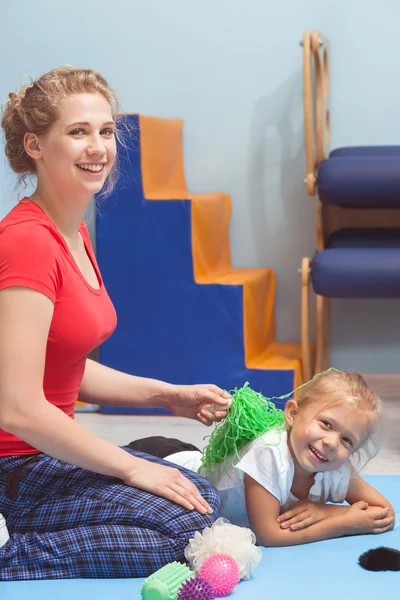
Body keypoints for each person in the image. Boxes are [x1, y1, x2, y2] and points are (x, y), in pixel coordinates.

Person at [0, 66, 231, 580]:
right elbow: (16, 407)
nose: (98, 147)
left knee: (201, 499)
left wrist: (166, 395)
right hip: (14, 466)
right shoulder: (27, 242)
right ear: (35, 145)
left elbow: (63, 366)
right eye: (78, 132)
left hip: (43, 455)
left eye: (105, 131)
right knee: (182, 528)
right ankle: (14, 554)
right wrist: (129, 466)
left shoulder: (73, 232)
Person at [132, 370, 396, 546]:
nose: (331, 443)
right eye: (326, 424)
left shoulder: (337, 465)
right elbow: (268, 535)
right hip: (167, 464)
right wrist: (342, 522)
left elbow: (384, 513)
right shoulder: (270, 452)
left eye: (347, 440)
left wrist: (325, 510)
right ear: (292, 414)